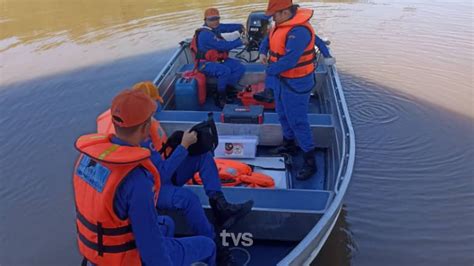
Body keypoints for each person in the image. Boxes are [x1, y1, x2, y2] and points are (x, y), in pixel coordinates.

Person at [96, 81, 254, 265]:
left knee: (203, 157)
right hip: (154, 185)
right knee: (189, 200)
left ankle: (220, 207)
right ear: (144, 123)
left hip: (156, 176)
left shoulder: (125, 131)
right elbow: (159, 176)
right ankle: (215, 245)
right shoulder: (135, 164)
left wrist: (177, 143)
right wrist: (183, 146)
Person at [72, 89, 216, 266]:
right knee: (208, 246)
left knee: (167, 224)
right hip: (129, 258)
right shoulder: (136, 180)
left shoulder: (85, 159)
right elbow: (152, 252)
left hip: (97, 255)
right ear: (146, 127)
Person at [253, 0, 324, 180]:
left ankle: (310, 161)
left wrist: (269, 71)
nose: (272, 19)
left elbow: (290, 61)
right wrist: (262, 52)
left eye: (274, 15)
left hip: (297, 82)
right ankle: (289, 144)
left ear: (285, 12)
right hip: (280, 80)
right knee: (282, 113)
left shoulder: (299, 31)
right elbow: (267, 40)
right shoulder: (279, 25)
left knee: (298, 120)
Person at [191, 8, 247, 107]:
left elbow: (226, 27)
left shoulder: (215, 28)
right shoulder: (205, 34)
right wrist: (241, 41)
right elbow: (224, 46)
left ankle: (228, 90)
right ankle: (220, 96)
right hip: (205, 64)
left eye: (217, 18)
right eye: (211, 19)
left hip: (217, 60)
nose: (215, 21)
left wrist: (240, 26)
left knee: (239, 67)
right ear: (205, 20)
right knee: (224, 71)